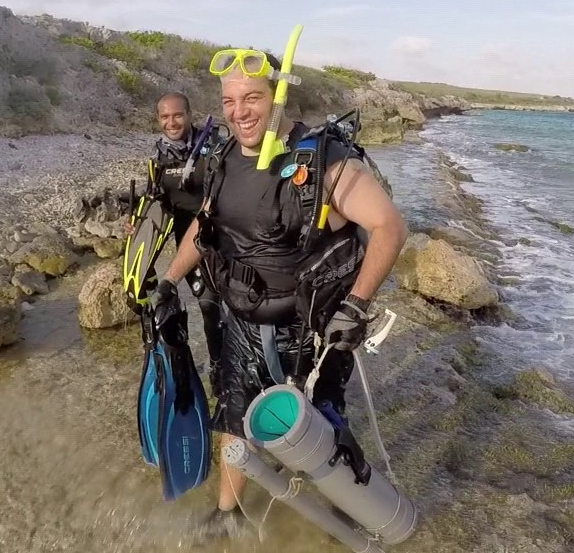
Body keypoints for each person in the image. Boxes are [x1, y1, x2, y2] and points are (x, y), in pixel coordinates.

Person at [149, 50, 408, 535]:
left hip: (311, 328)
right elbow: (203, 228)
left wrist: (355, 306)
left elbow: (389, 227)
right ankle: (229, 516)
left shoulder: (321, 159)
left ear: (277, 95)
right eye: (229, 100)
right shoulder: (224, 157)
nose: (239, 111)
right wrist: (168, 280)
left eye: (252, 97)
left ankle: (352, 514)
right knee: (231, 411)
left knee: (320, 430)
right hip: (241, 322)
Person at [128, 92, 224, 382]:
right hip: (188, 244)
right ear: (158, 119)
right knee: (208, 307)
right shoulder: (158, 160)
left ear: (189, 114)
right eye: (165, 116)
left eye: (177, 115)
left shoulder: (217, 147)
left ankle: (246, 360)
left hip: (227, 239)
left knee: (239, 306)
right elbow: (155, 204)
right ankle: (218, 367)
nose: (171, 122)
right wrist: (137, 227)